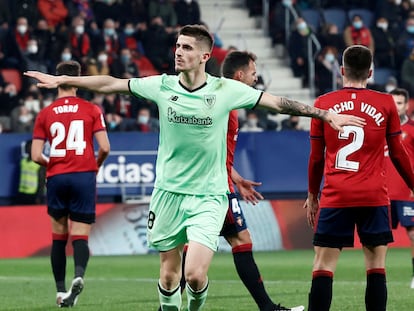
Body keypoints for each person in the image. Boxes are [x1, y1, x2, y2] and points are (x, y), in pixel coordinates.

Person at [25, 25, 365, 311]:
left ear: (204, 56)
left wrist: (324, 114)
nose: (178, 52)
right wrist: (63, 82)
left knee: (194, 276)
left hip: (209, 197)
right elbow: (111, 82)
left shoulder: (225, 90)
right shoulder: (162, 86)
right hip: (168, 195)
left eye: (187, 47)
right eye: (177, 46)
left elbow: (278, 103)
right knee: (169, 276)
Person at [172, 51, 305, 311]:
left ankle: (170, 304)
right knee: (227, 245)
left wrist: (237, 177)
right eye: (254, 74)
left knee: (210, 245)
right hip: (214, 189)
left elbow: (214, 151)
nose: (256, 79)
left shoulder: (222, 102)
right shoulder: (224, 106)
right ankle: (267, 308)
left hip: (216, 183)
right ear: (240, 75)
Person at [304, 45, 414, 311]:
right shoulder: (386, 102)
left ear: (341, 70)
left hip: (335, 195)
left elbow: (316, 157)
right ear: (371, 72)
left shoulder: (323, 104)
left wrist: (312, 195)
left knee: (322, 266)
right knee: (376, 267)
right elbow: (398, 154)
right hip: (373, 196)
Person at [30, 60, 110, 307]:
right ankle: (79, 275)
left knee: (58, 236)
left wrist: (53, 163)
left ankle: (60, 291)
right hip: (83, 175)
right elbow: (105, 147)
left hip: (56, 175)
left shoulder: (45, 113)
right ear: (78, 79)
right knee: (80, 236)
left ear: (56, 79)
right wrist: (94, 165)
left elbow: (35, 156)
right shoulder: (92, 109)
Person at [386, 88, 414, 289]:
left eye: (400, 103)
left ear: (407, 105)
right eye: (393, 103)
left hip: (407, 191)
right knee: (379, 237)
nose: (396, 107)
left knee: (413, 233)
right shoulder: (380, 129)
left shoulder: (412, 129)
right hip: (383, 191)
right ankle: (378, 276)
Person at [15, 139, 46, 205]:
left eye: (30, 146)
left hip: (33, 194)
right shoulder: (23, 162)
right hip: (22, 192)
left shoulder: (39, 163)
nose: (28, 148)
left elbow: (42, 181)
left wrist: (39, 196)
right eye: (27, 146)